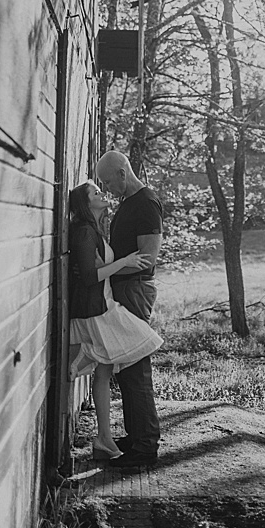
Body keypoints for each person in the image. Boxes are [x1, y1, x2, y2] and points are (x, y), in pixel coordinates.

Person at [65, 182, 161, 462]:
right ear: (85, 204)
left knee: (105, 373)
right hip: (99, 312)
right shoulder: (83, 231)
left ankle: (104, 439)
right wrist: (124, 262)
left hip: (104, 304)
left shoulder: (94, 229)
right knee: (142, 344)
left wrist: (113, 263)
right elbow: (88, 277)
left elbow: (96, 269)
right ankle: (83, 355)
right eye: (95, 193)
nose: (102, 194)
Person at [92, 150, 164, 468]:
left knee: (136, 368)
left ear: (123, 173)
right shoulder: (128, 203)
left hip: (135, 290)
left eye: (107, 182)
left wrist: (107, 269)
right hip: (124, 288)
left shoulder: (146, 203)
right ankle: (135, 437)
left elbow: (148, 259)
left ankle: (146, 447)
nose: (106, 188)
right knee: (127, 367)